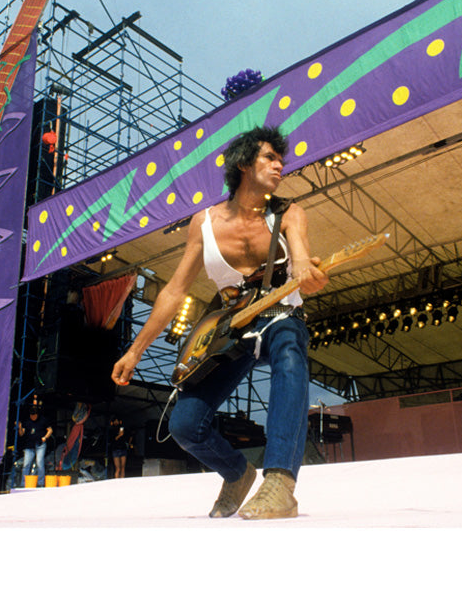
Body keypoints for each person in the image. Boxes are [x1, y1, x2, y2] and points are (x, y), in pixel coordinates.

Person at [111, 126, 329, 519]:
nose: (280, 165)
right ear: (244, 163)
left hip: (281, 316)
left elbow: (300, 260)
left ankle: (280, 482)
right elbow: (174, 291)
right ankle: (236, 472)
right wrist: (135, 351)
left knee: (291, 353)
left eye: (281, 160)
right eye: (269, 158)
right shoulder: (204, 223)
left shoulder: (290, 213)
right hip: (231, 329)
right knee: (185, 424)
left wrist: (306, 272)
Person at [17, 396, 52, 485]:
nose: (33, 417)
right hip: (29, 445)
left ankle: (40, 482)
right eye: (32, 416)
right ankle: (23, 483)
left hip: (40, 444)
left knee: (39, 463)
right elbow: (21, 434)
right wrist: (20, 427)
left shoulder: (43, 420)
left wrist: (45, 437)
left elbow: (50, 430)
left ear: (37, 414)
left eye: (35, 415)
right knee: (26, 464)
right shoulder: (27, 422)